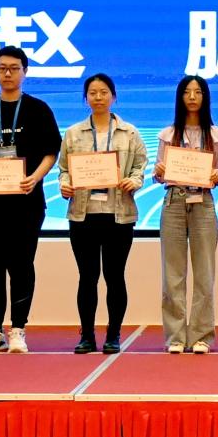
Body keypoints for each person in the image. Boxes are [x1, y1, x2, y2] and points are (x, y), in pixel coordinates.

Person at [0, 46, 60, 354]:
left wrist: (36, 177)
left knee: (21, 265)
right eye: (2, 68)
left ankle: (18, 329)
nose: (7, 73)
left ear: (24, 72)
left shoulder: (38, 109)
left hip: (26, 202)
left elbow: (51, 152)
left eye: (14, 68)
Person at [58, 74, 148, 354]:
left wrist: (135, 180)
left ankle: (113, 334)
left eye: (104, 92)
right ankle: (86, 335)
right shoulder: (73, 133)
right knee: (87, 277)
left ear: (114, 96)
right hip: (83, 214)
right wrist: (64, 184)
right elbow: (63, 169)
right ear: (85, 98)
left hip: (118, 214)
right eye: (93, 92)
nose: (98, 97)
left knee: (114, 276)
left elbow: (140, 166)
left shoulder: (129, 132)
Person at [153, 75, 218, 354]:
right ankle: (175, 337)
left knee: (204, 274)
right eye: (187, 92)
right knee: (172, 275)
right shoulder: (167, 134)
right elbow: (158, 174)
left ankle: (201, 336)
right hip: (173, 202)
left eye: (198, 92)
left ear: (205, 97)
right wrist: (159, 172)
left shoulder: (215, 134)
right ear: (179, 97)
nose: (192, 97)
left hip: (204, 203)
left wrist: (217, 174)